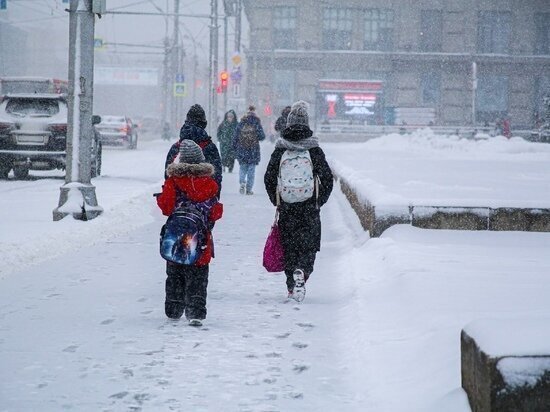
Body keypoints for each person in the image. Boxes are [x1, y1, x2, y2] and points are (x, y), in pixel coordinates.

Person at [264, 101, 333, 302]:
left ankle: (291, 286)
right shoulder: (313, 148)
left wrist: (276, 200)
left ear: (288, 123)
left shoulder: (280, 148)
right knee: (309, 245)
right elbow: (327, 178)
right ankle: (303, 272)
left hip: (287, 206)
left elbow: (269, 177)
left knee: (288, 245)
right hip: (309, 207)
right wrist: (319, 201)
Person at [157, 140, 224, 326]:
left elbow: (166, 207)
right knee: (199, 274)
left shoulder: (173, 181)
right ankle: (196, 311)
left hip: (176, 237)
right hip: (199, 238)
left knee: (175, 272)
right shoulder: (209, 184)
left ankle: (174, 307)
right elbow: (215, 212)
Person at [164, 104, 222, 197]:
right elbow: (217, 173)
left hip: (179, 203)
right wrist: (215, 196)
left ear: (187, 121)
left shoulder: (177, 147)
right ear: (204, 123)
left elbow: (167, 174)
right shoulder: (209, 147)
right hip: (203, 201)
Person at [233, 105, 265, 195]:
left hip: (242, 149)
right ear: (254, 112)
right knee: (251, 170)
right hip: (253, 150)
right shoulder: (256, 122)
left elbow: (235, 137)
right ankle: (249, 189)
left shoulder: (242, 122)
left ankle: (242, 181)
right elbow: (262, 136)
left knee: (242, 168)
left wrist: (235, 147)